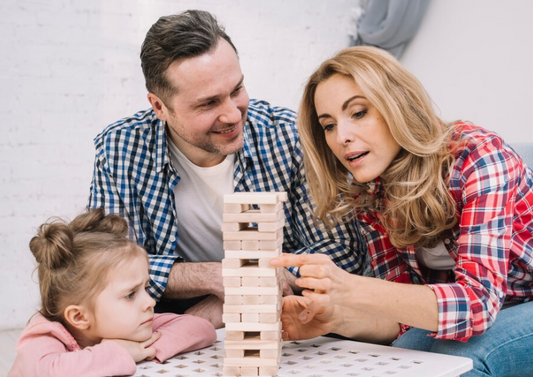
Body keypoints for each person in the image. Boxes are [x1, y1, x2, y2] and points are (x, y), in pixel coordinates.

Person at [87, 9, 363, 327]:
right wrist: (213, 277)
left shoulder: (288, 135)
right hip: (165, 320)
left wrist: (249, 286)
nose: (233, 115)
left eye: (236, 90)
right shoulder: (119, 149)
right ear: (159, 106)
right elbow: (105, 265)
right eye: (208, 103)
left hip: (283, 318)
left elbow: (343, 249)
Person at [271, 45, 533, 376]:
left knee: (458, 363)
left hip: (518, 303)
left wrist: (348, 287)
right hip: (481, 313)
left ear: (397, 104)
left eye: (359, 113)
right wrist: (335, 318)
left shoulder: (480, 159)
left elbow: (476, 305)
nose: (342, 137)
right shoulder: (371, 192)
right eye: (329, 125)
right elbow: (400, 317)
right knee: (401, 356)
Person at [9, 209, 216, 377]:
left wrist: (142, 349)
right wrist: (120, 352)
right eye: (130, 295)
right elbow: (51, 371)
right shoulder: (45, 336)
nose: (150, 302)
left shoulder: (129, 326)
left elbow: (201, 329)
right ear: (79, 316)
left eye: (145, 288)